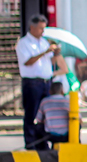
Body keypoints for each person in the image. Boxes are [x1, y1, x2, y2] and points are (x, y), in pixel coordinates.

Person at [16, 14, 60, 150]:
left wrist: (56, 53)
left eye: (43, 28)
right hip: (32, 83)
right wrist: (45, 52)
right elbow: (28, 61)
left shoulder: (44, 42)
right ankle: (30, 143)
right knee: (32, 114)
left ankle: (42, 142)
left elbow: (49, 61)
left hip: (46, 82)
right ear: (32, 27)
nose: (42, 31)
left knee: (45, 115)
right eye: (40, 28)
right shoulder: (24, 43)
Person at [34, 79, 72, 148]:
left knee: (37, 127)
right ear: (62, 91)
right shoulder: (68, 101)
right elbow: (79, 120)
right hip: (68, 134)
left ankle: (43, 149)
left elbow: (38, 120)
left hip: (51, 135)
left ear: (50, 92)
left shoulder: (45, 101)